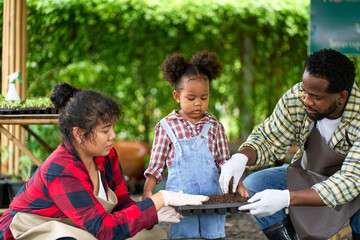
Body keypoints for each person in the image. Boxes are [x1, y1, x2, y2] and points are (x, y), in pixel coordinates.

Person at [0, 82, 209, 240]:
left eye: (113, 128)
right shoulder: (62, 168)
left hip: (85, 224)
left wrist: (151, 213)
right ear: (79, 134)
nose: (113, 136)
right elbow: (104, 230)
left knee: (151, 236)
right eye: (105, 130)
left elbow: (122, 204)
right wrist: (160, 198)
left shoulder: (106, 156)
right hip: (31, 228)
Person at [219, 48, 360, 240]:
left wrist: (286, 198)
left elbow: (350, 181)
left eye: (316, 97)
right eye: (305, 91)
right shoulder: (297, 97)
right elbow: (268, 138)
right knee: (256, 184)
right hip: (307, 175)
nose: (306, 101)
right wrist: (241, 157)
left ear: (341, 97)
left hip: (353, 188)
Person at [143, 51, 231, 239]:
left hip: (211, 202)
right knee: (185, 236)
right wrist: (147, 191)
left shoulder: (215, 127)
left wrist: (237, 185)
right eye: (191, 98)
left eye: (204, 98)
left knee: (213, 235)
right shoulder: (166, 126)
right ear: (177, 95)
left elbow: (225, 162)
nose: (198, 103)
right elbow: (156, 165)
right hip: (181, 201)